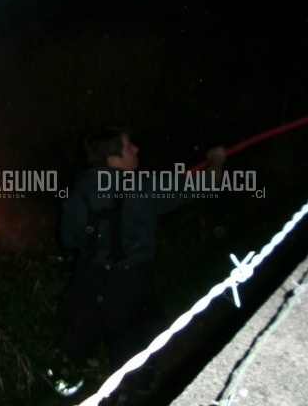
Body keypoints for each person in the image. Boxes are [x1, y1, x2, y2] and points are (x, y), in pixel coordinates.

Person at [53, 123, 225, 404]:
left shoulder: (78, 193)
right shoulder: (144, 189)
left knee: (78, 340)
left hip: (89, 281)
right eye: (128, 147)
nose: (136, 149)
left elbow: (68, 240)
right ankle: (131, 393)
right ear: (113, 161)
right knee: (134, 351)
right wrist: (216, 161)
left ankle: (70, 385)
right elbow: (209, 183)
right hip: (131, 285)